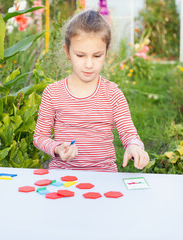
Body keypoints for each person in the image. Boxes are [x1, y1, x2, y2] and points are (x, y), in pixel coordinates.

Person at [33, 9, 149, 172]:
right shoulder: (53, 93)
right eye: (80, 55)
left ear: (106, 53)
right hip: (62, 177)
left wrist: (135, 147)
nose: (89, 64)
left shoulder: (113, 94)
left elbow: (129, 134)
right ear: (67, 52)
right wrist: (57, 148)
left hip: (103, 177)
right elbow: (39, 137)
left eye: (97, 56)